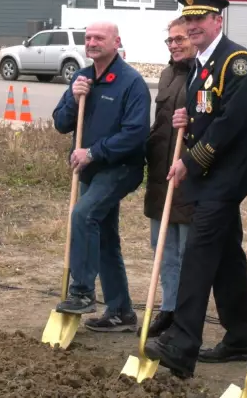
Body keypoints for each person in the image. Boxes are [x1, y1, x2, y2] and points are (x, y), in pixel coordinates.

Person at [143, 0, 247, 378]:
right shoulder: (200, 63)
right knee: (228, 257)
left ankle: (181, 345)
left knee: (199, 255)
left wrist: (189, 161)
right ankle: (242, 336)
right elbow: (206, 115)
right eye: (189, 19)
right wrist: (186, 122)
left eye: (201, 19)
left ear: (218, 21)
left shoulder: (238, 62)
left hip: (225, 178)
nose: (193, 25)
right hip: (209, 175)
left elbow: (231, 123)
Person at [51, 21, 151, 333]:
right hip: (90, 171)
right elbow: (60, 123)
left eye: (99, 38)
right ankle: (121, 311)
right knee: (104, 236)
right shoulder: (82, 77)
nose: (92, 42)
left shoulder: (131, 83)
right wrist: (73, 97)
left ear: (116, 42)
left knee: (83, 215)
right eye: (88, 38)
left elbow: (135, 134)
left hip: (121, 168)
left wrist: (92, 152)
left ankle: (82, 292)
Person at [140, 16, 197, 337]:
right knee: (162, 249)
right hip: (162, 178)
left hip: (188, 177)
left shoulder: (204, 77)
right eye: (170, 40)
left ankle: (186, 316)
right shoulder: (166, 75)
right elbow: (158, 127)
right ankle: (168, 309)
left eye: (181, 39)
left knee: (187, 252)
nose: (174, 45)